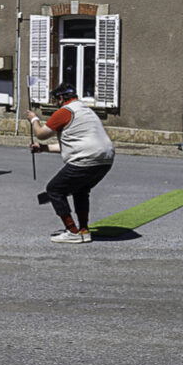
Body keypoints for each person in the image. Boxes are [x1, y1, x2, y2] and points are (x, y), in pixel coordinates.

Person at [27, 82, 116, 244]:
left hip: (87, 157)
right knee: (81, 190)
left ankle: (72, 231)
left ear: (61, 98)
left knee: (54, 189)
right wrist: (44, 149)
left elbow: (40, 133)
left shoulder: (65, 112)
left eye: (55, 100)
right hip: (105, 158)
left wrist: (34, 120)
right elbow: (75, 143)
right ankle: (84, 230)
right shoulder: (86, 110)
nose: (55, 104)